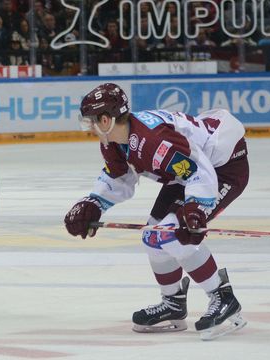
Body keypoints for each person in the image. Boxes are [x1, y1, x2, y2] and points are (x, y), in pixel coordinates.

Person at [64, 83, 248, 341]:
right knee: (153, 235)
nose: (89, 128)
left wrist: (195, 207)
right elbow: (119, 178)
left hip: (224, 168)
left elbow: (198, 170)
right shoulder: (114, 141)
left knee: (173, 234)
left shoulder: (154, 141)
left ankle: (223, 297)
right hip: (187, 173)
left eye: (90, 122)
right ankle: (173, 302)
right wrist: (93, 203)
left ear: (105, 119)